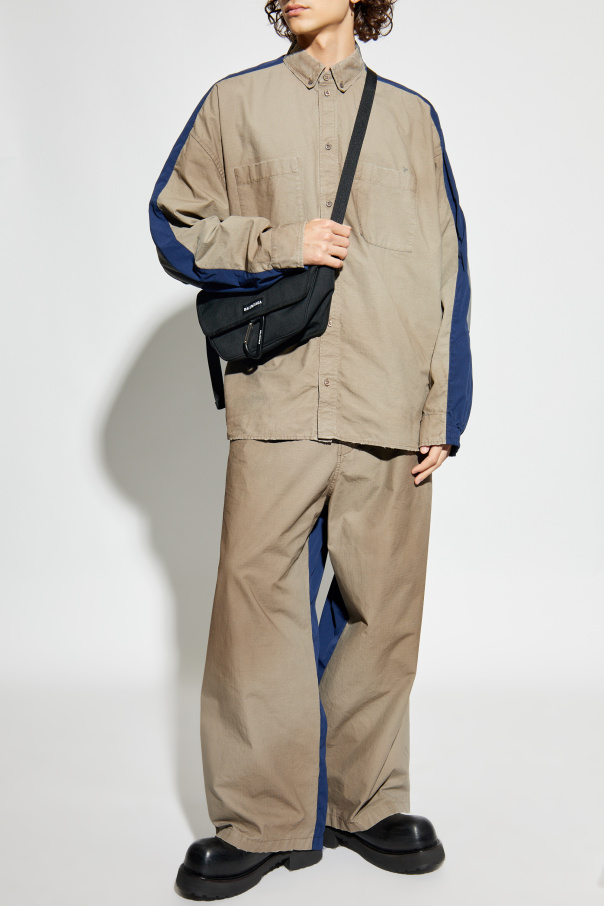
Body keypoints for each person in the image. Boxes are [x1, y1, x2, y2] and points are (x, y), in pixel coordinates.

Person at [149, 0, 472, 899]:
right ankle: (260, 818)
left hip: (389, 402)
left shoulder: (411, 117)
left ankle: (363, 802)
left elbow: (448, 262)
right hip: (280, 400)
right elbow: (174, 222)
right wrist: (276, 242)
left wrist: (444, 407)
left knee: (384, 609)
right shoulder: (233, 103)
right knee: (256, 606)